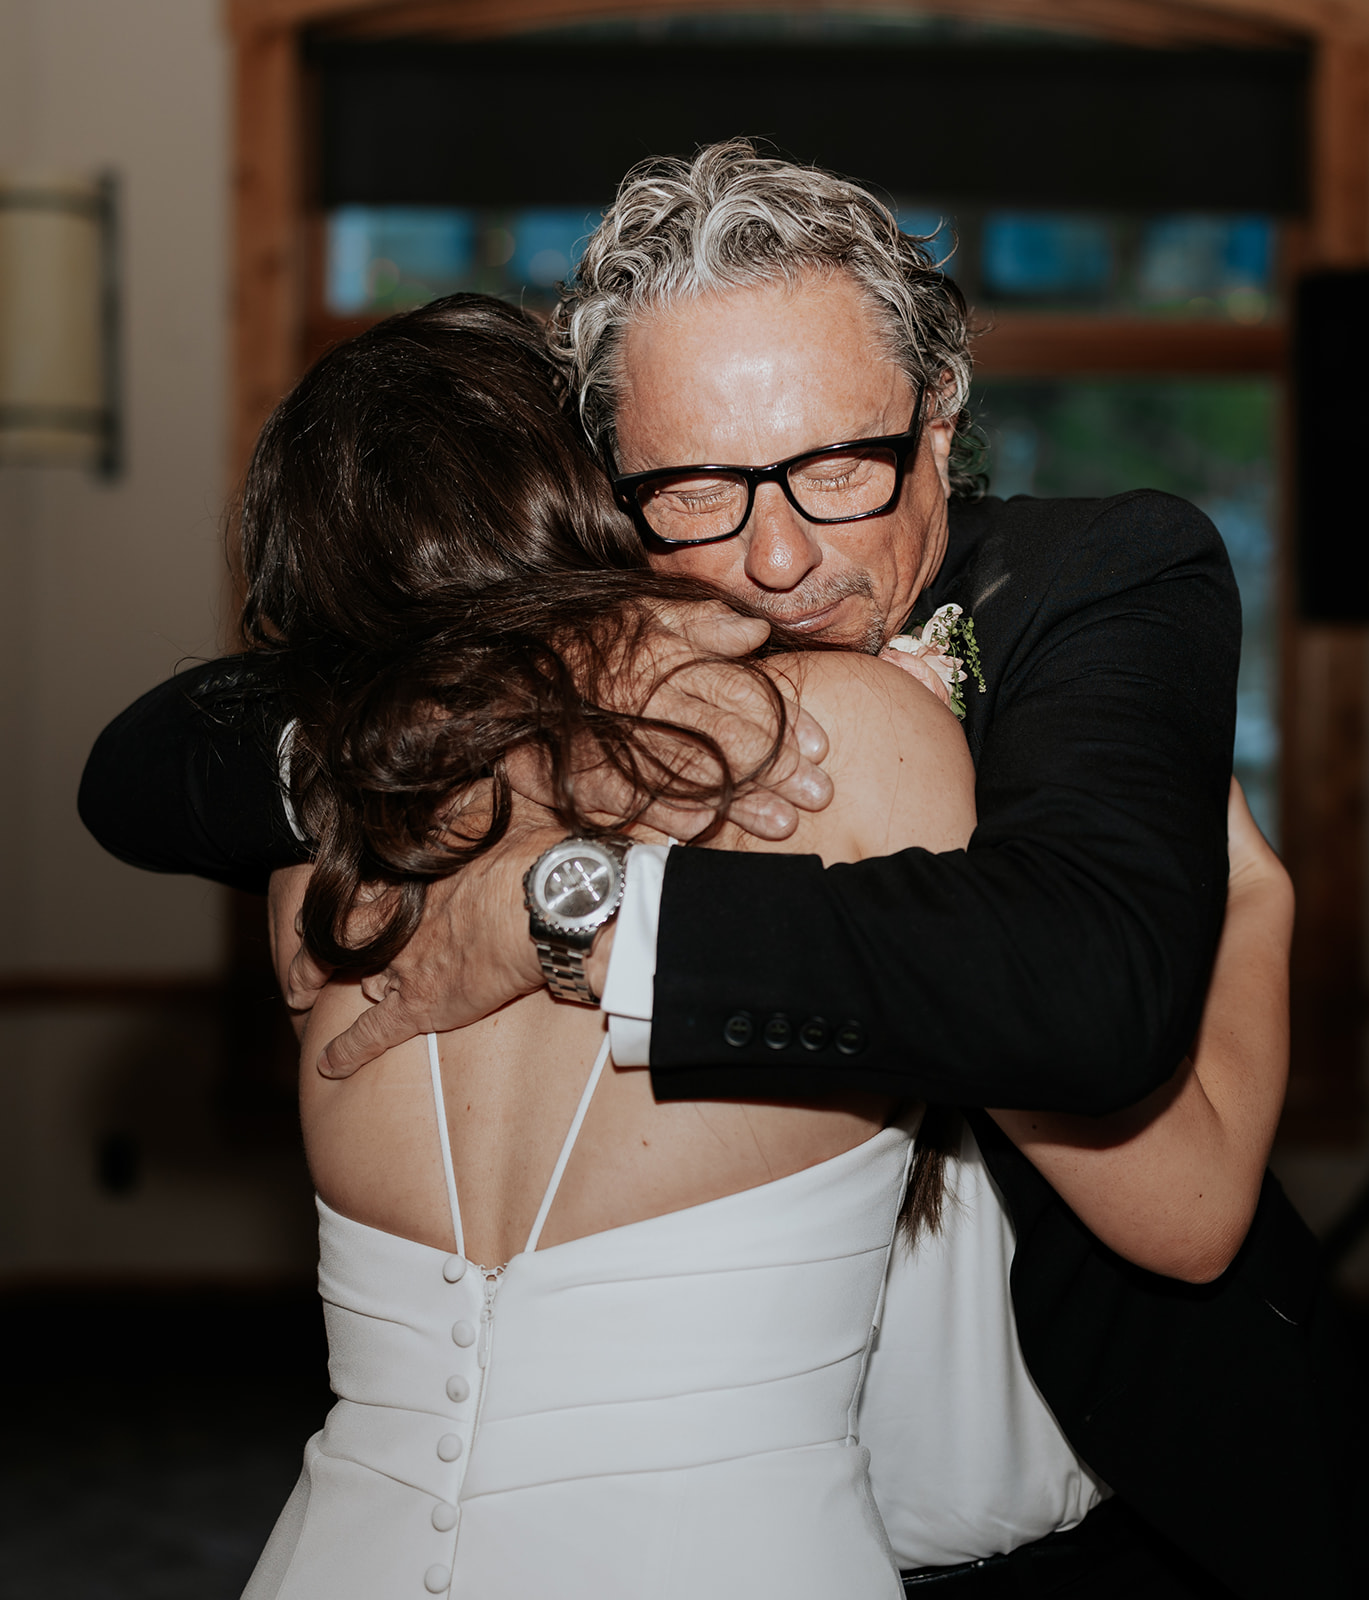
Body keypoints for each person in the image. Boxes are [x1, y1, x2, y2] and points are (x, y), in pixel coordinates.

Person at [79, 145, 1363, 1593]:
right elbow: (145, 767)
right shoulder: (608, 671)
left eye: (834, 469)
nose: (770, 556)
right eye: (691, 489)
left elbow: (1097, 1018)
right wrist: (512, 737)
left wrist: (590, 920)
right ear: (608, 484)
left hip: (1084, 1518)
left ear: (938, 425)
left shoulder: (1085, 584)